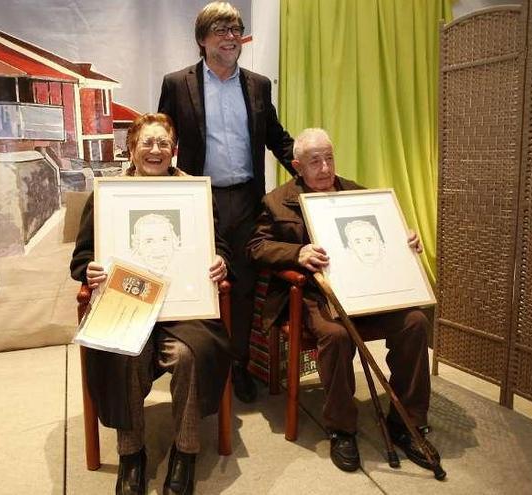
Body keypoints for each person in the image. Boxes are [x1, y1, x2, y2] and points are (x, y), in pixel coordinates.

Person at [246, 128, 440, 473]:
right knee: (334, 335)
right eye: (314, 161)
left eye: (329, 158)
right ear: (297, 165)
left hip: (367, 293)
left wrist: (405, 238)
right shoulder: (277, 201)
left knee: (415, 322)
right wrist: (297, 252)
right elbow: (257, 247)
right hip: (313, 295)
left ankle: (407, 420)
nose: (324, 168)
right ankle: (342, 428)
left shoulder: (358, 194)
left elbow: (387, 237)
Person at [70, 113, 232, 495]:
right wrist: (89, 271)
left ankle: (185, 451)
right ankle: (132, 455)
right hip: (128, 307)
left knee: (192, 354)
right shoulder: (108, 196)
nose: (155, 150)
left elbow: (218, 245)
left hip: (186, 310)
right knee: (120, 353)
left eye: (163, 143)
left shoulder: (195, 193)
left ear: (173, 150)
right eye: (147, 143)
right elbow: (81, 258)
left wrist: (221, 260)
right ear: (132, 149)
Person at [158, 1, 295, 403]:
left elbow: (276, 137)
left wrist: (309, 167)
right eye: (220, 30)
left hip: (248, 200)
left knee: (245, 285)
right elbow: (163, 139)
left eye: (236, 30)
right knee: (203, 282)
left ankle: (237, 363)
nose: (231, 37)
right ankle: (203, 361)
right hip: (197, 201)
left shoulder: (258, 84)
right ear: (202, 40)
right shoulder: (176, 83)